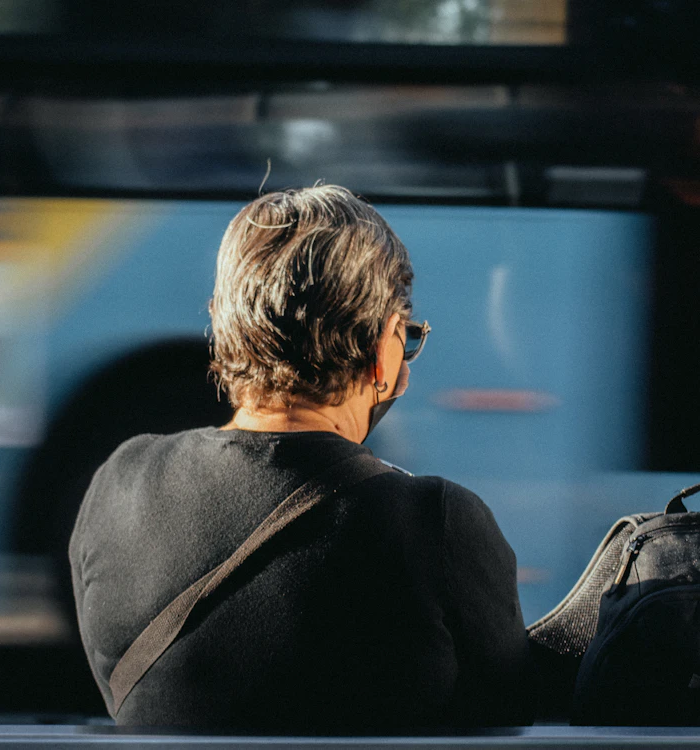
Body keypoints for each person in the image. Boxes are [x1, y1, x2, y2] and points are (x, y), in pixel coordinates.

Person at [69, 185, 531, 730]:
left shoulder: (118, 487)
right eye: (405, 338)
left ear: (221, 326)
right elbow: (510, 711)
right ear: (383, 350)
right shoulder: (437, 525)